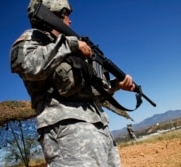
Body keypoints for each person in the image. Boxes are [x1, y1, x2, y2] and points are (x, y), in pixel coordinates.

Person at [10, 0, 135, 166]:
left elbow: (92, 93)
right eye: (66, 15)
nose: (70, 20)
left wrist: (116, 86)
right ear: (54, 13)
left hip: (100, 128)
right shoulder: (33, 39)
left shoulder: (70, 48)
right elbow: (24, 65)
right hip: (67, 131)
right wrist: (70, 44)